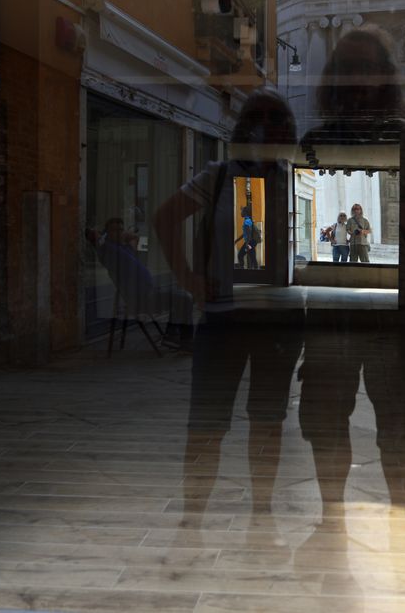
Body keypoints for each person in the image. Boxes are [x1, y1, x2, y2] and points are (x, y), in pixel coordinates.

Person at [297, 25, 405, 535]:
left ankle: (400, 520)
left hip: (396, 304)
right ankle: (331, 518)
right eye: (348, 69)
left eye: (367, 68)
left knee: (402, 420)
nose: (357, 79)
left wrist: (384, 213)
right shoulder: (315, 141)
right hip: (331, 303)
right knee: (324, 415)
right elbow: (299, 222)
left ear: (384, 76)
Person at [153, 89, 303, 530]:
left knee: (268, 421)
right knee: (206, 424)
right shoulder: (218, 176)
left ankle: (262, 514)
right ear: (246, 129)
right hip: (223, 318)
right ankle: (192, 519)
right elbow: (163, 219)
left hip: (281, 319)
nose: (270, 130)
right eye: (261, 121)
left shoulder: (298, 179)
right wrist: (188, 280)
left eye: (278, 123)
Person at [86, 217, 193, 345]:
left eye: (121, 229)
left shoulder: (123, 247)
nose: (119, 232)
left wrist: (127, 235)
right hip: (141, 299)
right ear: (106, 233)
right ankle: (184, 340)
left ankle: (172, 334)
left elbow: (134, 239)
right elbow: (94, 237)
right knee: (184, 299)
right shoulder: (108, 249)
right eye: (114, 230)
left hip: (149, 292)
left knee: (181, 295)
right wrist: (100, 235)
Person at [236, 205, 259, 269]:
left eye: (242, 211)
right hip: (251, 242)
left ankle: (242, 270)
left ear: (245, 212)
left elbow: (249, 234)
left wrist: (247, 244)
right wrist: (237, 240)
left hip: (250, 242)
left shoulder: (247, 221)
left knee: (240, 255)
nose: (241, 213)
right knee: (252, 257)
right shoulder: (248, 220)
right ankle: (255, 271)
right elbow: (245, 233)